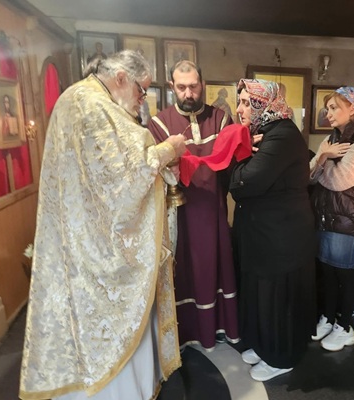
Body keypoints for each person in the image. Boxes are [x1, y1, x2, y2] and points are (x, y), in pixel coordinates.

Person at [19, 50, 186, 400]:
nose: (142, 100)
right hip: (95, 245)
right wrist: (169, 150)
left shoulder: (78, 98)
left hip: (84, 233)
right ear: (121, 77)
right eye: (141, 90)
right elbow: (126, 176)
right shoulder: (93, 105)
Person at [147, 60, 239, 350]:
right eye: (182, 87)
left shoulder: (221, 119)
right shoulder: (159, 124)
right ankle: (186, 332)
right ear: (172, 87)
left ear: (203, 85)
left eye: (194, 86)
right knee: (186, 271)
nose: (188, 93)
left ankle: (218, 327)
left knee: (215, 266)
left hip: (214, 211)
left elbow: (234, 167)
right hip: (180, 215)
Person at [230, 79, 316, 381]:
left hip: (281, 237)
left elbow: (245, 184)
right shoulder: (266, 132)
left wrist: (238, 160)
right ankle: (264, 346)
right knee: (261, 295)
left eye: (245, 102)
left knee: (277, 299)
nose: (239, 109)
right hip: (267, 234)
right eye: (240, 101)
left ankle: (281, 357)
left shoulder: (282, 135)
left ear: (262, 104)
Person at [309, 87, 354, 351]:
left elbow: (339, 181)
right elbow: (309, 175)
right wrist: (324, 157)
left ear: (352, 108)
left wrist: (323, 159)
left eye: (334, 107)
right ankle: (328, 317)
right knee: (327, 273)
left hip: (349, 221)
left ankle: (345, 326)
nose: (329, 113)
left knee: (345, 276)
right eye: (328, 108)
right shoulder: (331, 139)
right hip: (326, 217)